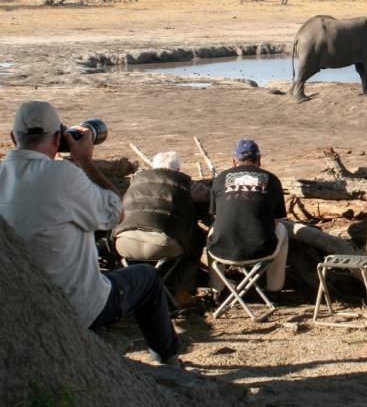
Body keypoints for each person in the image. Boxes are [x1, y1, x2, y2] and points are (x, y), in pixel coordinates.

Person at [0, 101, 180, 366]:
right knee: (148, 278)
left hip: (20, 304)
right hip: (76, 307)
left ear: (14, 137)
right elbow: (114, 213)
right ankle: (169, 365)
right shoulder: (63, 174)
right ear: (58, 138)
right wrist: (85, 162)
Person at [112, 151, 210, 308]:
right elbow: (207, 195)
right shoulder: (183, 181)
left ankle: (120, 294)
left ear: (153, 167)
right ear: (178, 169)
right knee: (196, 244)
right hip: (160, 245)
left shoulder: (137, 180)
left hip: (123, 242)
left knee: (126, 262)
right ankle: (182, 293)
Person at [207, 139, 288, 300]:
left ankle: (216, 291)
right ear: (259, 160)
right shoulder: (271, 179)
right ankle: (274, 290)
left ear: (233, 161)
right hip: (262, 250)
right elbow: (276, 219)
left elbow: (216, 215)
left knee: (214, 229)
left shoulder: (221, 178)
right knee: (282, 230)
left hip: (221, 249)